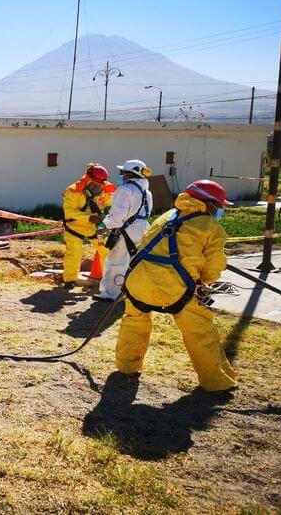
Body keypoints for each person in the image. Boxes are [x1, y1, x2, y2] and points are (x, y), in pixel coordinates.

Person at [116, 179, 237, 392]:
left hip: (137, 283)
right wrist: (202, 282)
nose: (219, 210)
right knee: (201, 332)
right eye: (218, 206)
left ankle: (127, 368)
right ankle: (216, 383)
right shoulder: (211, 227)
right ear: (207, 203)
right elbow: (213, 267)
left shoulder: (165, 217)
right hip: (176, 290)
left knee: (134, 324)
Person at [95, 159, 154, 302]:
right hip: (143, 228)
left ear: (130, 174)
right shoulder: (147, 192)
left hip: (127, 229)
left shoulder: (126, 190)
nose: (120, 175)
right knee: (134, 262)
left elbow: (117, 216)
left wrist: (104, 225)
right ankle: (130, 293)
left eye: (122, 172)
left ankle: (111, 294)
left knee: (116, 262)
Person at [61, 163, 117, 288]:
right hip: (75, 227)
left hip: (96, 229)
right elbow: (69, 212)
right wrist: (89, 218)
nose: (98, 187)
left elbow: (109, 205)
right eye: (95, 184)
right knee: (74, 253)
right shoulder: (73, 191)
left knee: (106, 251)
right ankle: (70, 280)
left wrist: (107, 216)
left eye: (100, 185)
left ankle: (107, 281)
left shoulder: (106, 190)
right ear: (88, 179)